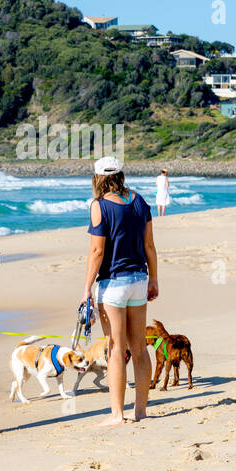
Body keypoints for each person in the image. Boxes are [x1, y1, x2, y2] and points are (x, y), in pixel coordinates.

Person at [82, 156, 159, 426]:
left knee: (115, 349)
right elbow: (149, 246)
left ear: (98, 177)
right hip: (139, 278)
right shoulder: (139, 201)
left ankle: (117, 414)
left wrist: (86, 289)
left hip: (113, 283)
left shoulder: (99, 205)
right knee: (139, 348)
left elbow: (97, 251)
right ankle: (141, 411)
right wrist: (154, 280)